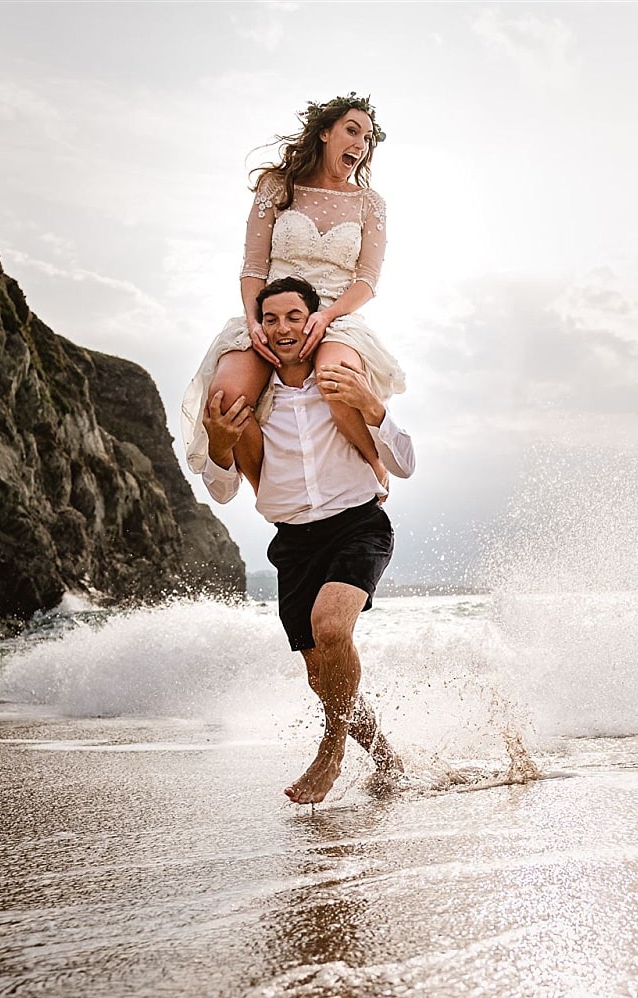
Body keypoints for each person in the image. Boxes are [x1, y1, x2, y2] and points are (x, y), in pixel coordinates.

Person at [200, 276, 416, 805]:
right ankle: (388, 761)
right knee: (324, 678)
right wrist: (220, 445)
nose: (283, 329)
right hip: (294, 543)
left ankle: (330, 749)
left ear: (314, 322)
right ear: (257, 330)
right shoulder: (254, 406)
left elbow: (405, 465)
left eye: (294, 316)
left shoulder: (342, 387)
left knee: (331, 627)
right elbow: (222, 490)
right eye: (270, 319)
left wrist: (374, 407)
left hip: (358, 526)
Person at [182, 93, 405, 494]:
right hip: (274, 313)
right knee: (226, 396)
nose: (361, 143)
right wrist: (254, 322)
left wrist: (326, 316)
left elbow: (368, 280)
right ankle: (264, 491)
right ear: (324, 133)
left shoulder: (370, 204)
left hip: (333, 317)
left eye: (367, 138)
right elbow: (254, 267)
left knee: (337, 381)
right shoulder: (276, 187)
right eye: (352, 131)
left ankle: (376, 467)